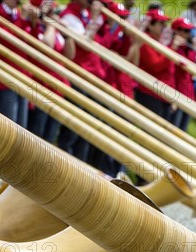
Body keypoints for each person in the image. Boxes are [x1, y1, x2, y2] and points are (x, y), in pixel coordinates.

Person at [56, 0, 107, 165]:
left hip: (88, 78)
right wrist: (95, 18)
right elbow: (83, 45)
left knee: (85, 129)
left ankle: (82, 166)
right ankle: (67, 164)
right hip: (77, 76)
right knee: (73, 129)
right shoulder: (71, 16)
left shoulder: (83, 15)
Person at [26, 0, 75, 144]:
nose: (52, 14)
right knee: (36, 139)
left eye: (52, 11)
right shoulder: (35, 26)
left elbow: (70, 55)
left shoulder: (53, 29)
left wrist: (67, 35)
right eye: (49, 12)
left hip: (57, 89)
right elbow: (47, 45)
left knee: (49, 138)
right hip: (41, 88)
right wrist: (51, 25)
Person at [0, 0, 32, 128]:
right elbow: (7, 40)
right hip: (3, 79)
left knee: (22, 130)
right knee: (9, 130)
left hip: (21, 76)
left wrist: (33, 21)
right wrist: (23, 19)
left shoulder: (17, 13)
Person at [127, 8, 175, 120]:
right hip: (150, 93)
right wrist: (171, 48)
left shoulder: (161, 42)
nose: (164, 26)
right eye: (161, 23)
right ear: (150, 26)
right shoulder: (145, 40)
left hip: (163, 94)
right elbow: (156, 65)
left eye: (165, 23)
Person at [169, 17, 196, 132]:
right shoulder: (172, 47)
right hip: (177, 94)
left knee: (183, 131)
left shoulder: (189, 49)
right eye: (185, 31)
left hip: (188, 95)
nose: (188, 34)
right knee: (173, 130)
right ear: (176, 31)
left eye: (189, 31)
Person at [104, 1, 135, 99]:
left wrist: (127, 36)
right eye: (121, 17)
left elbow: (126, 55)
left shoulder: (122, 33)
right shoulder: (106, 29)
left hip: (116, 81)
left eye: (125, 17)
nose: (124, 21)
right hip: (104, 78)